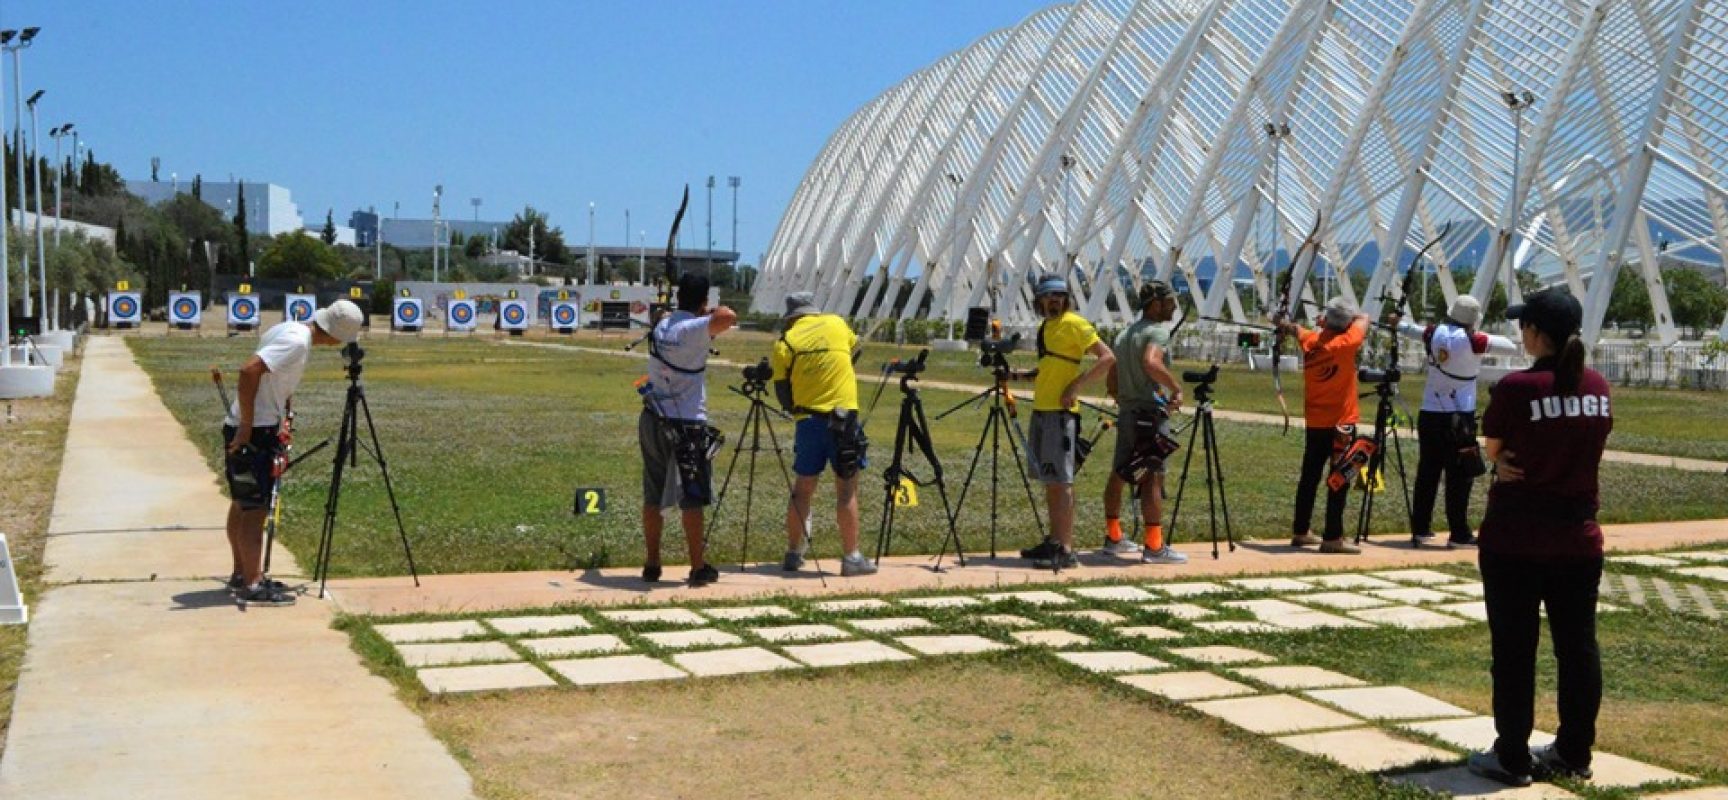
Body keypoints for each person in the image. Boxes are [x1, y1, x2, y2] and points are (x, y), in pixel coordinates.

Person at [1466, 288, 1610, 788]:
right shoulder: (1597, 386)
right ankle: (1574, 751)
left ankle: (1511, 755)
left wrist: (1499, 463)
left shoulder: (1515, 389)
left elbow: (1496, 451)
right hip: (1577, 539)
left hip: (1516, 539)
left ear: (1534, 333)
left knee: (1513, 651)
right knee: (1578, 649)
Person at [223, 299, 364, 606]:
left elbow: (271, 379)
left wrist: (283, 412)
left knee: (242, 503)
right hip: (255, 431)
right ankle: (253, 583)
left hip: (260, 425)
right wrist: (247, 427)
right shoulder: (297, 341)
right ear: (337, 335)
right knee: (254, 510)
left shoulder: (290, 328)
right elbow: (249, 372)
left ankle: (242, 573)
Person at [1395, 294, 1518, 547]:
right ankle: (1459, 533)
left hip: (1430, 413)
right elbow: (1510, 346)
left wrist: (1398, 322)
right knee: (1460, 475)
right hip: (1459, 416)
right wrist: (1477, 333)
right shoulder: (1475, 341)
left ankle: (1420, 528)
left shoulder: (1433, 333)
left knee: (1427, 472)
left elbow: (1411, 330)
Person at [639, 273, 736, 587]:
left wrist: (670, 314)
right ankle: (697, 567)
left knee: (653, 493)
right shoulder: (693, 328)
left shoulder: (661, 325)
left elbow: (661, 317)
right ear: (703, 302)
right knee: (691, 496)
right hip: (686, 423)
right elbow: (729, 316)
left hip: (652, 419)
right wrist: (705, 314)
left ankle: (652, 564)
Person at [771, 292, 877, 577]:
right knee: (846, 489)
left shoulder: (785, 342)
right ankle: (851, 557)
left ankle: (793, 553)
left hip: (808, 420)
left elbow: (782, 391)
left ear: (791, 318)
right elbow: (854, 350)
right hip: (844, 420)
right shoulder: (836, 324)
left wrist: (796, 410)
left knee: (802, 489)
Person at [1015, 273, 1116, 568]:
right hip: (1042, 409)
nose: (1054, 300)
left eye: (1059, 295)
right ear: (1039, 300)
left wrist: (1076, 386)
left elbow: (1107, 358)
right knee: (1050, 480)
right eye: (1048, 296)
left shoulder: (1075, 324)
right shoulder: (1047, 327)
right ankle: (1055, 541)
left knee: (1062, 480)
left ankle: (1066, 550)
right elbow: (1049, 368)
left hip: (1060, 415)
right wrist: (1018, 376)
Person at [1103, 280, 1188, 565]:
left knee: (1119, 472)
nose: (1174, 307)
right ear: (1155, 304)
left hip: (1128, 413)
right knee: (1151, 475)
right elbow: (1152, 363)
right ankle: (1154, 545)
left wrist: (1121, 396)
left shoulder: (1124, 334)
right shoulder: (1157, 332)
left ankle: (1113, 536)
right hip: (1150, 415)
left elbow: (1112, 375)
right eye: (1170, 301)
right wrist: (1175, 389)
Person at [1276, 297, 1369, 555]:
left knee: (1310, 477)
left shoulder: (1311, 341)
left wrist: (1285, 325)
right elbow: (1364, 319)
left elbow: (1297, 330)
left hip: (1316, 422)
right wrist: (1336, 319)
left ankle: (1301, 530)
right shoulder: (1347, 342)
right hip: (1342, 424)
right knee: (1340, 479)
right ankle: (1333, 537)